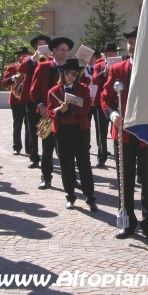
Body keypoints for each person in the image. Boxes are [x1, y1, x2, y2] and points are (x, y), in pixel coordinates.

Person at [100, 26, 148, 240]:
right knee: (124, 180)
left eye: (137, 42)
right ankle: (127, 221)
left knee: (147, 181)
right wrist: (112, 114)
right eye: (130, 42)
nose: (133, 46)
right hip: (122, 134)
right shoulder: (117, 70)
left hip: (146, 135)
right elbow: (104, 98)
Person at [47, 57, 97, 212]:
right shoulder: (53, 91)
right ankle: (70, 196)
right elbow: (49, 112)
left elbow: (86, 108)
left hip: (79, 130)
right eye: (68, 73)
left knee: (84, 164)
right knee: (66, 165)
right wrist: (59, 111)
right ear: (62, 73)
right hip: (61, 131)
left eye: (74, 74)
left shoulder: (83, 89)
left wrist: (71, 108)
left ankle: (90, 197)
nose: (71, 76)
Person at [30, 36, 74, 189]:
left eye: (67, 50)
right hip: (48, 115)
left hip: (65, 117)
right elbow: (33, 91)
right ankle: (46, 177)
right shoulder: (43, 67)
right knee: (47, 149)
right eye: (62, 49)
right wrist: (41, 106)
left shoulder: (71, 69)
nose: (65, 52)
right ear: (53, 51)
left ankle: (70, 179)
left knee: (67, 151)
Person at [18, 34, 52, 168]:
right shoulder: (28, 59)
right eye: (39, 45)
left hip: (46, 98)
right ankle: (34, 156)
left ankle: (47, 156)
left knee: (47, 127)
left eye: (44, 44)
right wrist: (33, 58)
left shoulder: (51, 59)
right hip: (30, 98)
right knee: (31, 128)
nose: (41, 47)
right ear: (34, 47)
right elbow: (20, 70)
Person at [92, 42, 121, 167]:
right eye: (108, 52)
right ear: (104, 53)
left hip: (118, 100)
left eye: (112, 52)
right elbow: (94, 80)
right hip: (101, 102)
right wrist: (104, 72)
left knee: (118, 130)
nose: (110, 54)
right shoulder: (99, 65)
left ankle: (120, 155)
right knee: (101, 131)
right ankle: (101, 156)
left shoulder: (121, 64)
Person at [2, 47, 31, 156]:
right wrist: (14, 78)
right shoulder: (12, 68)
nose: (23, 57)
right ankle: (16, 147)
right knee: (17, 124)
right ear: (18, 57)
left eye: (26, 55)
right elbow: (4, 83)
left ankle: (29, 148)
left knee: (29, 125)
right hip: (16, 100)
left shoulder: (31, 68)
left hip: (28, 99)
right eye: (21, 55)